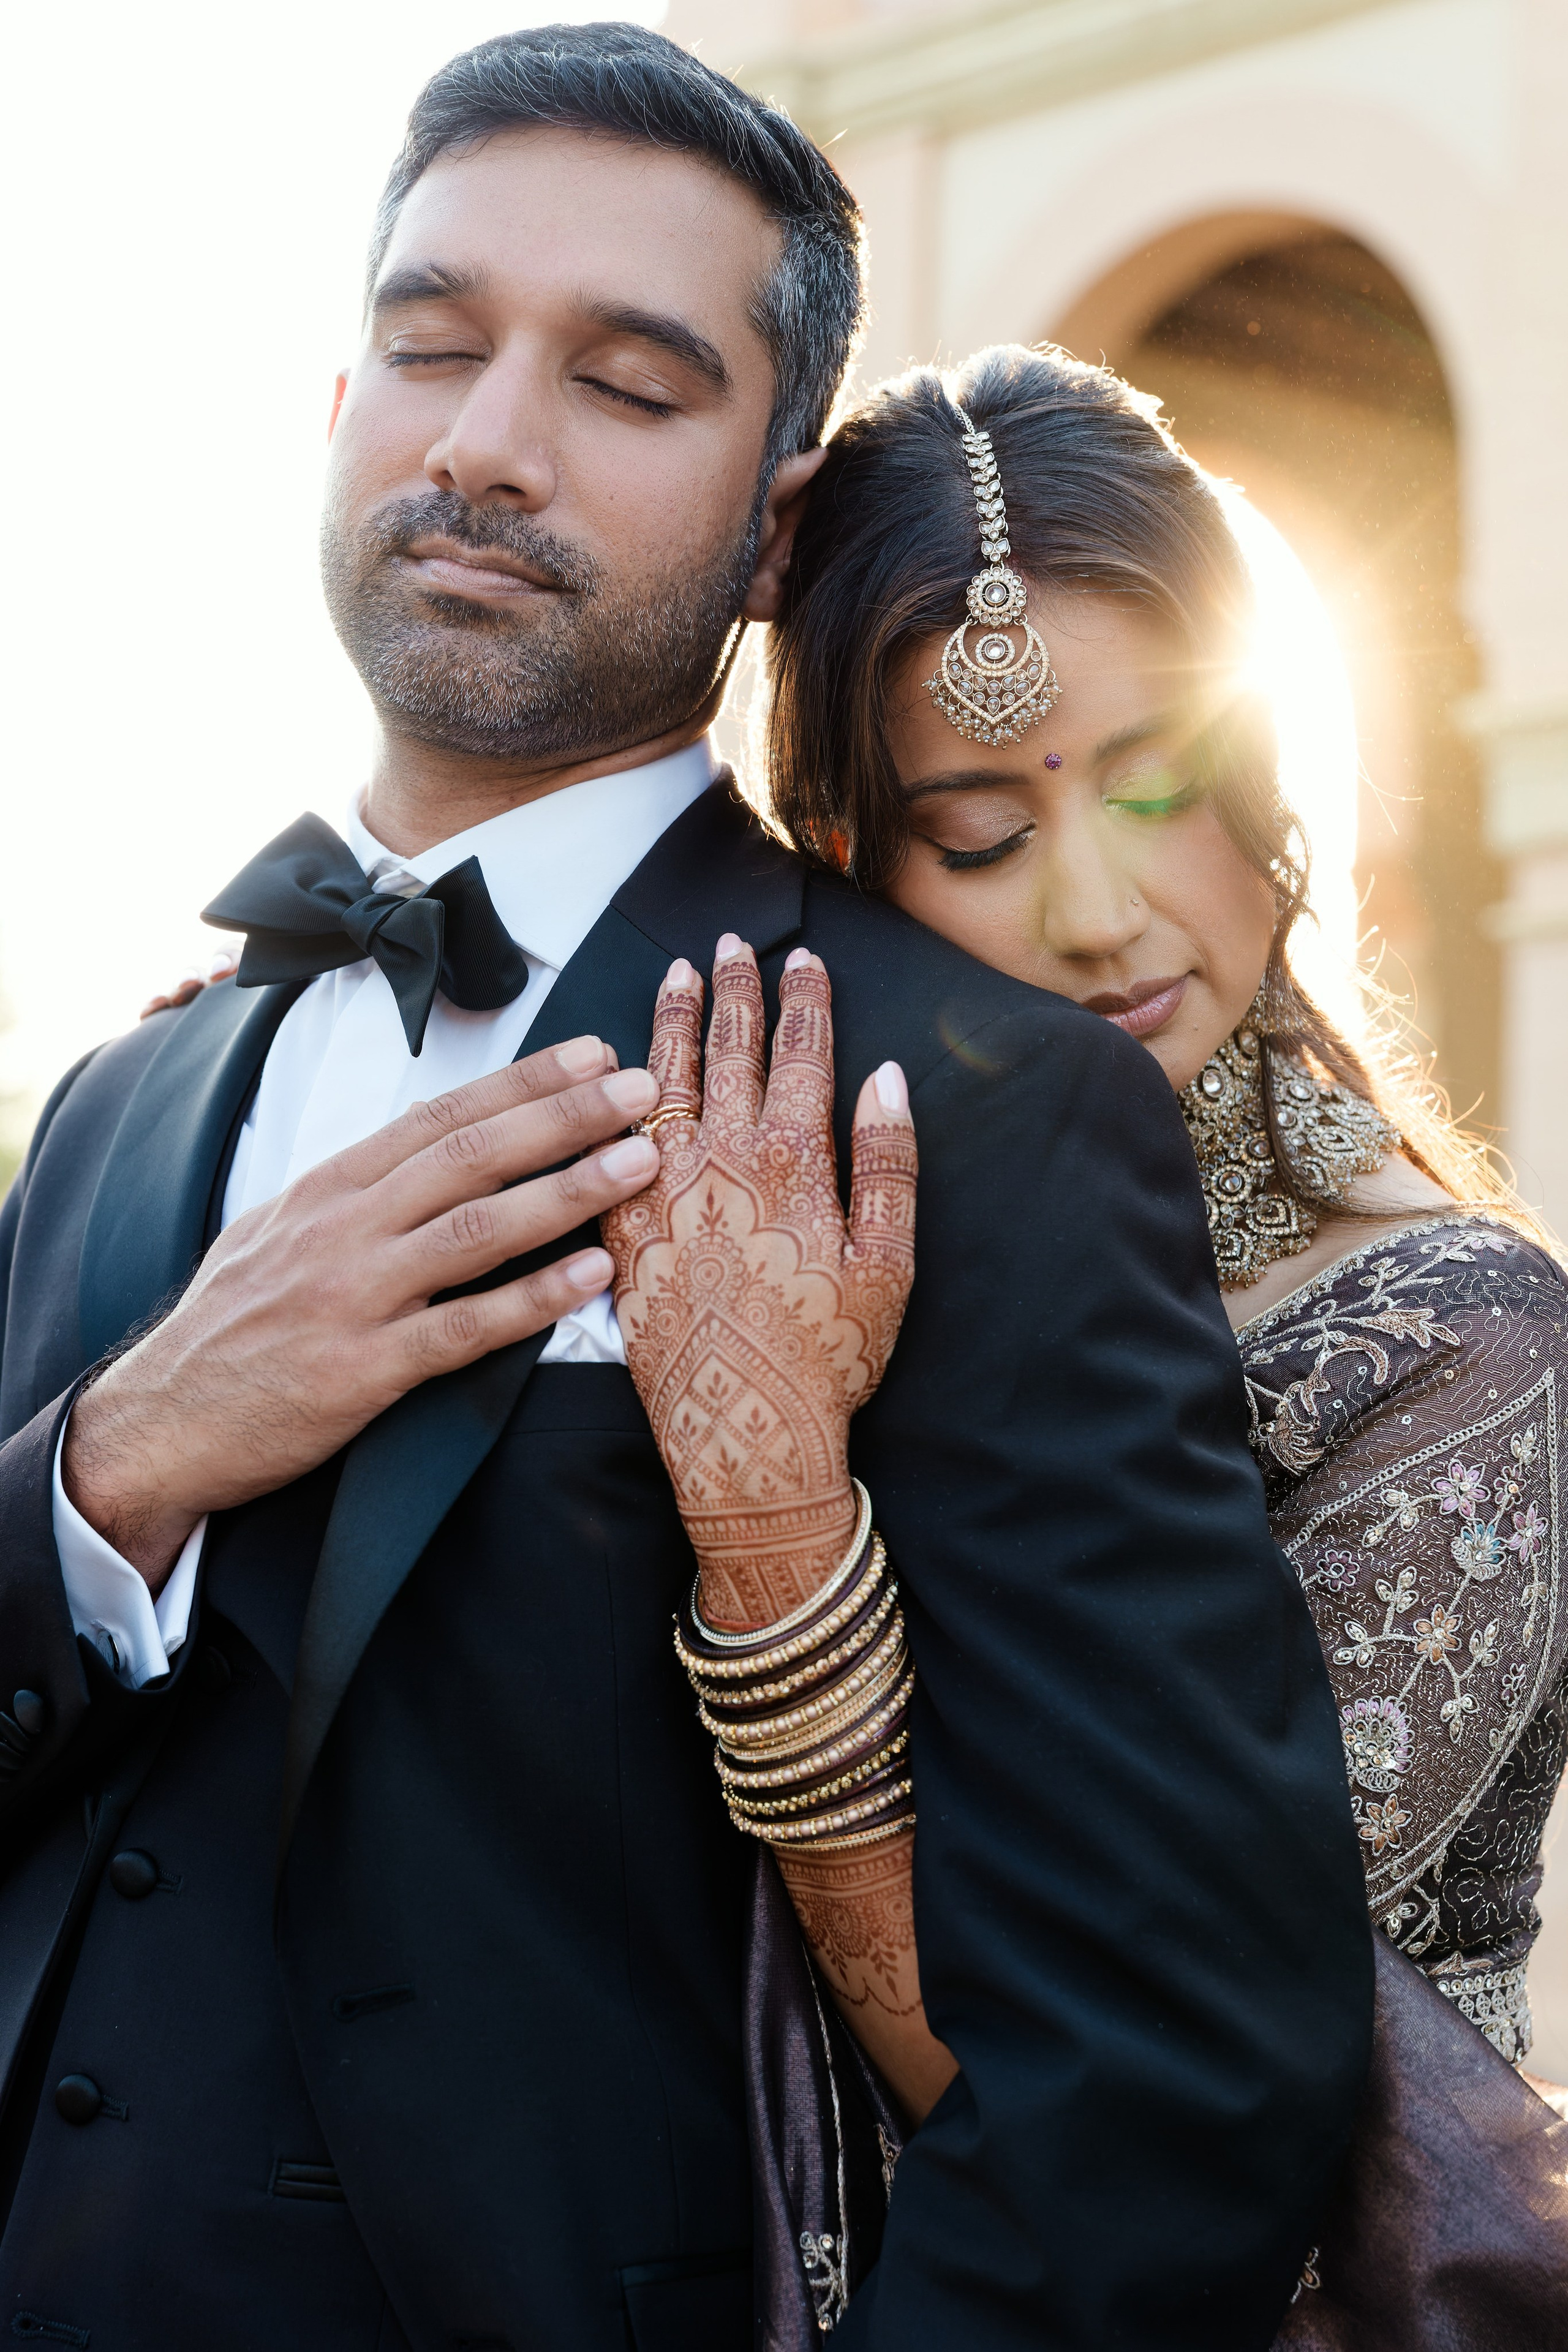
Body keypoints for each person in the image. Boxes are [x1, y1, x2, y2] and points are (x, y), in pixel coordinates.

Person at [0, 31, 1371, 2351]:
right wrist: (117, 1466)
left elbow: (1162, 2087)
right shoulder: (114, 1106)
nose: (487, 440)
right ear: (335, 401)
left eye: (628, 383)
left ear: (773, 528)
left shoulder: (983, 1103)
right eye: (431, 344)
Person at [602, 344, 1568, 2343]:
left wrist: (783, 1544)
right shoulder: (770, 1253)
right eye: (981, 835)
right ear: (845, 856)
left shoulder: (1458, 1347)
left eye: (1159, 786)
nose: (1102, 910)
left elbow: (1139, 2099)